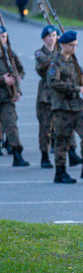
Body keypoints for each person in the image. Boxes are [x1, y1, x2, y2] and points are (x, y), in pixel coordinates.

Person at [48, 31, 83, 183]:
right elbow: (53, 82)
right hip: (63, 107)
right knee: (62, 139)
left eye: (75, 46)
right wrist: (77, 89)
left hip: (77, 107)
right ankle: (60, 172)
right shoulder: (55, 62)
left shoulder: (74, 61)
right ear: (62, 45)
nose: (74, 48)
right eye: (71, 46)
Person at [0, 25, 28, 167]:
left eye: (4, 37)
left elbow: (19, 71)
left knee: (11, 125)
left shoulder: (9, 54)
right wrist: (3, 79)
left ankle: (17, 153)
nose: (1, 39)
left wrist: (17, 88)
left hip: (6, 98)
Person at [35, 25, 59, 168]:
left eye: (55, 35)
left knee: (59, 126)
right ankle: (44, 156)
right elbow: (44, 64)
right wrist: (58, 58)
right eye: (49, 36)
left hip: (58, 94)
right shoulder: (40, 53)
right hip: (45, 94)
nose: (52, 38)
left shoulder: (61, 53)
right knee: (45, 128)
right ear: (44, 38)